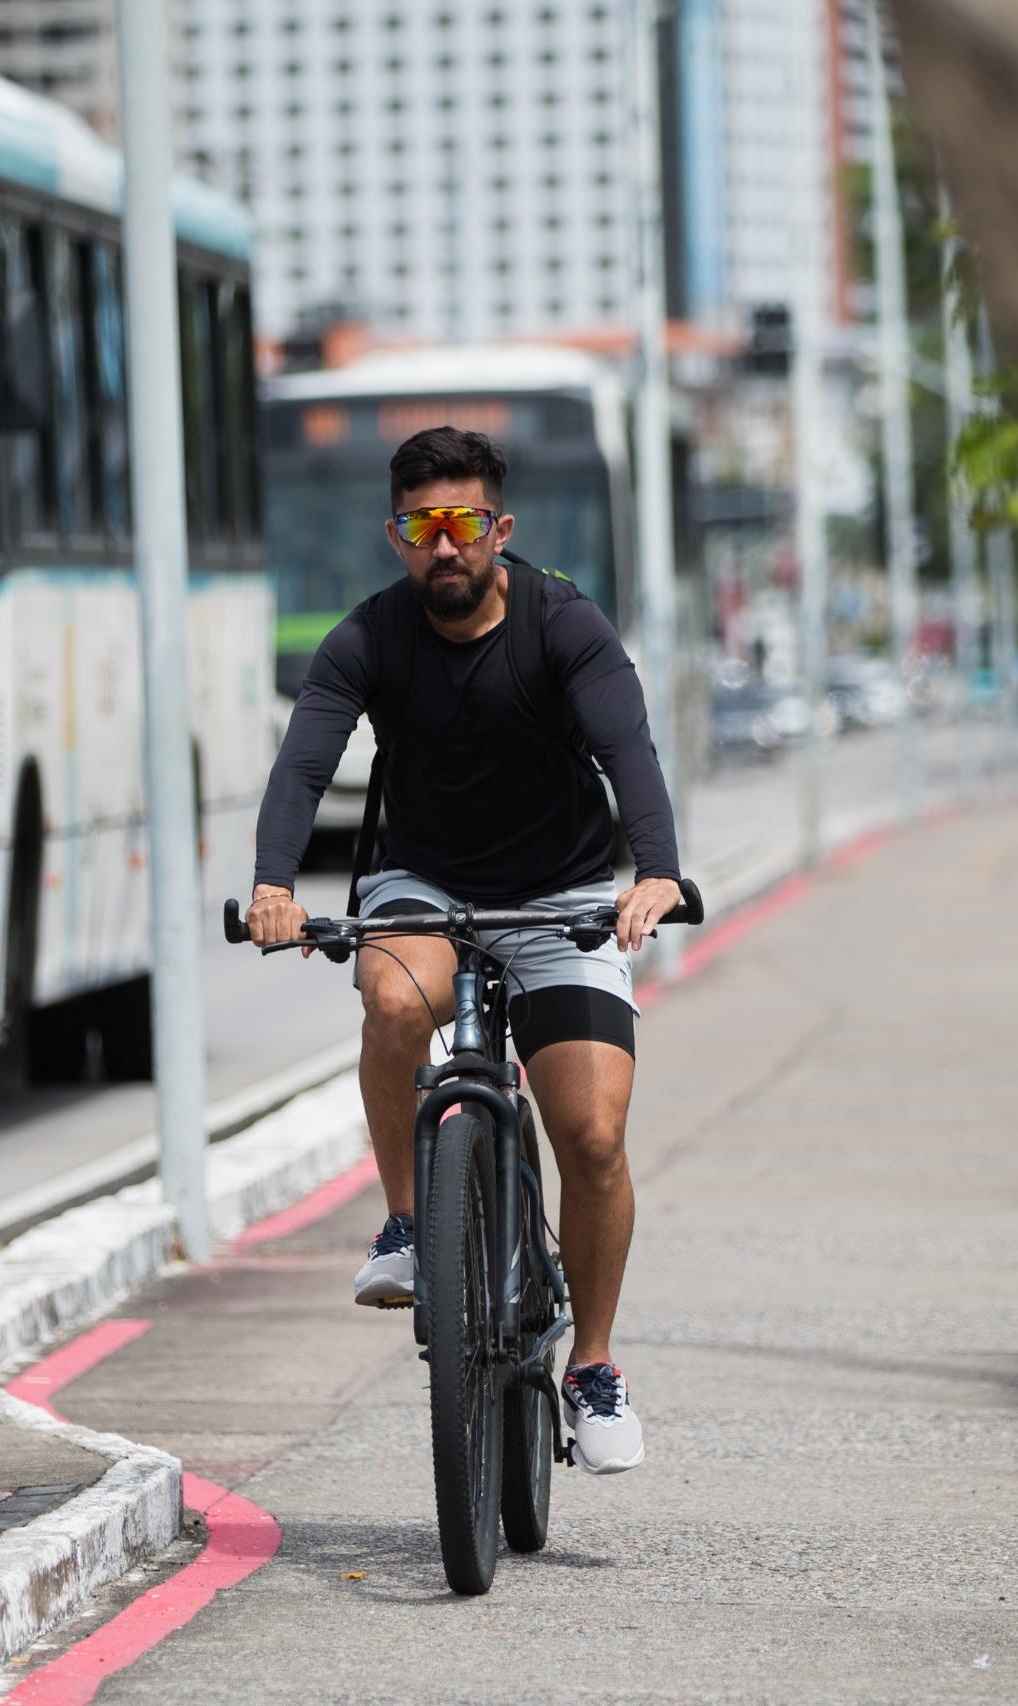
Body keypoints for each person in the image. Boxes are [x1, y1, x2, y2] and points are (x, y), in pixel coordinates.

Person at [247, 425, 683, 1476]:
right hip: (424, 878)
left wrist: (658, 868)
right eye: (419, 528)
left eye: (462, 523)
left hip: (565, 888)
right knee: (394, 1005)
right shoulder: (368, 636)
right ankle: (406, 1223)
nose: (443, 547)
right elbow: (306, 758)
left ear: (499, 528)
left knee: (590, 1134)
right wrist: (272, 880)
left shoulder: (561, 621)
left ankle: (593, 1364)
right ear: (395, 536)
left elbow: (626, 744)